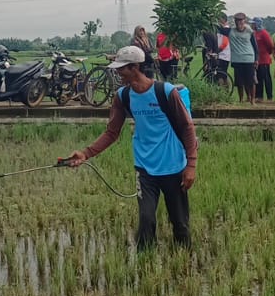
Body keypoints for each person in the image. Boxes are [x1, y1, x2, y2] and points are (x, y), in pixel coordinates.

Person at [61, 45, 197, 249]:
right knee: (146, 220)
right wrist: (85, 154)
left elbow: (187, 127)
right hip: (144, 168)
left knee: (180, 223)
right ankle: (145, 265)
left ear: (135, 67)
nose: (117, 73)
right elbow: (111, 132)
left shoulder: (165, 92)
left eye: (121, 69)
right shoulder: (122, 96)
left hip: (172, 166)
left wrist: (191, 165)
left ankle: (185, 263)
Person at [223, 13, 257, 103]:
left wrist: (256, 59)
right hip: (237, 59)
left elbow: (255, 46)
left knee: (251, 81)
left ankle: (252, 100)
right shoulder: (231, 31)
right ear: (235, 21)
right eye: (238, 21)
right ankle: (241, 99)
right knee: (239, 82)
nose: (240, 23)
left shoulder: (249, 31)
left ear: (244, 21)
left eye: (241, 20)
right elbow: (219, 29)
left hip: (249, 59)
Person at [253, 18, 275, 102]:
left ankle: (269, 96)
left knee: (266, 78)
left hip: (264, 59)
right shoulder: (254, 33)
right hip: (257, 60)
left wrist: (268, 53)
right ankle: (259, 96)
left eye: (254, 24)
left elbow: (270, 45)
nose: (252, 25)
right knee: (258, 78)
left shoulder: (264, 33)